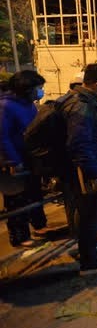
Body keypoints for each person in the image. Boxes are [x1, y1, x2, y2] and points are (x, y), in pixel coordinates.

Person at [60, 62, 97, 274]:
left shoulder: (79, 99)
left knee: (85, 212)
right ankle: (90, 261)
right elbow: (79, 143)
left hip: (86, 167)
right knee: (90, 213)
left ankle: (85, 247)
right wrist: (94, 173)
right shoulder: (82, 105)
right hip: (86, 170)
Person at [0, 70, 48, 247]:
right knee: (16, 199)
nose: (40, 91)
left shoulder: (29, 104)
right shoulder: (6, 106)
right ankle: (19, 236)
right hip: (13, 161)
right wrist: (12, 160)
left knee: (34, 192)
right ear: (26, 89)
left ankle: (39, 226)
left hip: (29, 157)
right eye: (38, 88)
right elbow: (2, 136)